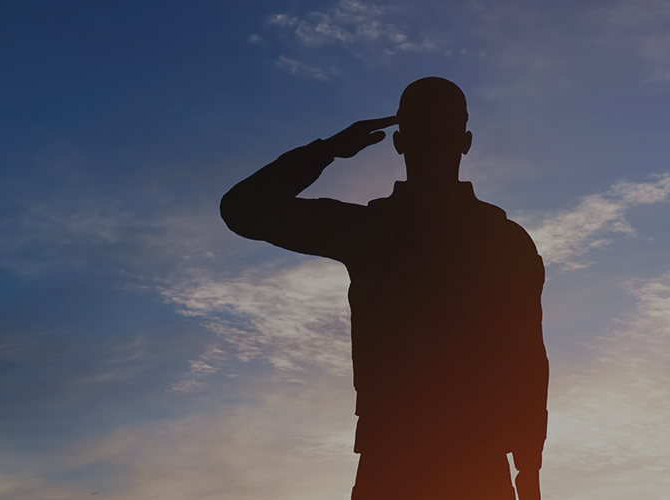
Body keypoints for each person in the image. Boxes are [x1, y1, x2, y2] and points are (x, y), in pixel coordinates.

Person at [220, 77, 548, 500]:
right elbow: (528, 359)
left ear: (397, 142)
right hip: (447, 456)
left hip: (405, 456)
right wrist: (528, 469)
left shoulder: (372, 230)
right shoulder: (502, 239)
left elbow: (243, 208)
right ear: (465, 141)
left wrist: (330, 150)